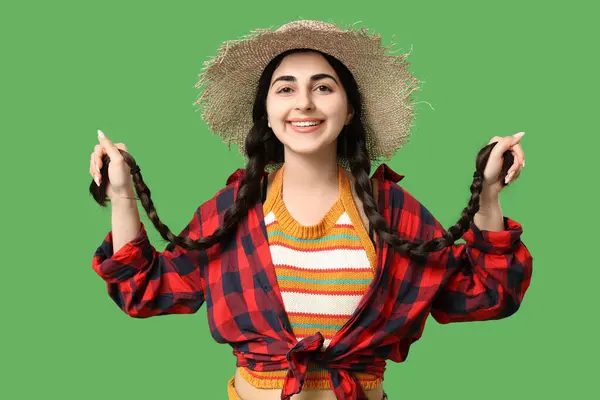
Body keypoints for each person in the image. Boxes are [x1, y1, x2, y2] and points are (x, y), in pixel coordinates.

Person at [89, 20, 533, 400]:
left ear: (350, 108)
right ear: (266, 111)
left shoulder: (394, 212)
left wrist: (489, 192)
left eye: (323, 87)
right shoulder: (232, 211)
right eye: (286, 89)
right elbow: (144, 291)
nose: (304, 103)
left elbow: (488, 295)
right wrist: (123, 197)